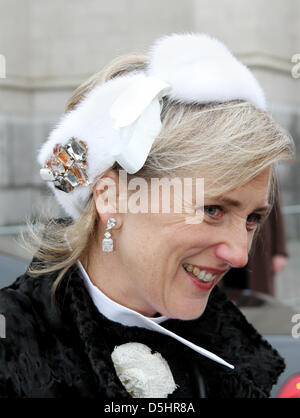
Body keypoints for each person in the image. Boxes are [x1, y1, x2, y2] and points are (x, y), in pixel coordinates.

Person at [0, 33, 295, 398]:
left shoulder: (244, 357)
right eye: (212, 209)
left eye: (252, 219)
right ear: (111, 197)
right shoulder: (15, 349)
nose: (240, 254)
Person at [221, 185, 288, 305]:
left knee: (258, 294)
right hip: (224, 241)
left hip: (258, 248)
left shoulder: (265, 170)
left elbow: (275, 210)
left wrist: (279, 251)